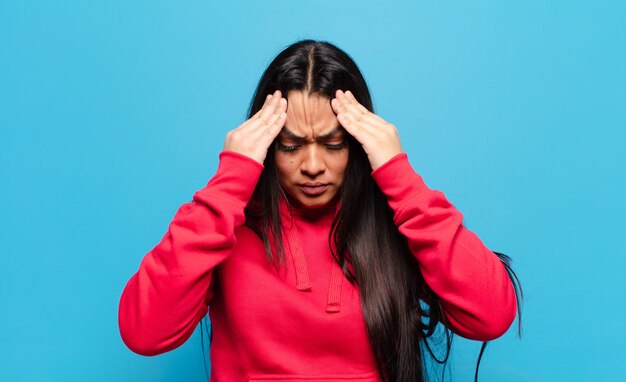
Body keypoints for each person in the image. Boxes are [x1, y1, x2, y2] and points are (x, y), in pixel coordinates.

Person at [118, 39, 522, 382]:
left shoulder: (398, 222)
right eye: (291, 146)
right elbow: (144, 332)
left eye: (333, 144)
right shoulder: (225, 224)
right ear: (266, 142)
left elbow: (491, 316)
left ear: (359, 143)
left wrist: (399, 176)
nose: (312, 165)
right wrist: (229, 183)